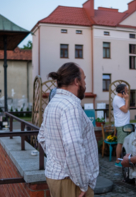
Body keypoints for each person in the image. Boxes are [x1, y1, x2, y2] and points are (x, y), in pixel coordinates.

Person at [38, 62, 99, 197]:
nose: (85, 83)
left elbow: (41, 136)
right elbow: (73, 145)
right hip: (71, 183)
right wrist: (82, 183)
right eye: (84, 79)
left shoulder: (53, 103)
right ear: (77, 81)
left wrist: (57, 158)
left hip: (58, 177)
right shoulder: (70, 106)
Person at [112, 84, 130, 167]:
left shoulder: (121, 99)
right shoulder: (117, 99)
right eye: (126, 90)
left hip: (125, 123)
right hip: (121, 124)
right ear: (122, 91)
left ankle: (122, 159)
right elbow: (125, 110)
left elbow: (126, 108)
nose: (127, 92)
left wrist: (126, 99)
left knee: (124, 142)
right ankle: (117, 161)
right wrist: (127, 99)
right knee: (120, 143)